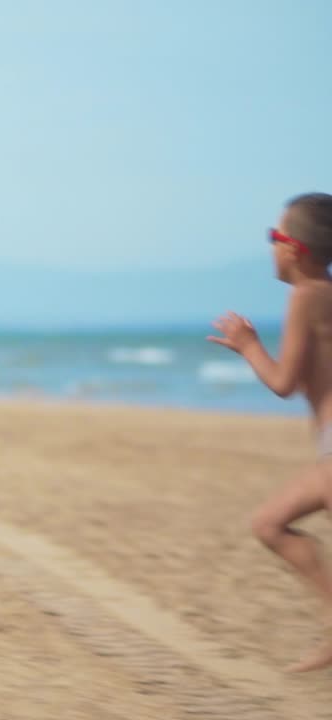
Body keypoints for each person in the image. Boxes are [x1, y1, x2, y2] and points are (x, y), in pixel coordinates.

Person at [208, 191, 332, 672]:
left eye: (273, 235)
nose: (270, 244)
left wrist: (248, 345)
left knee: (271, 525)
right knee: (268, 522)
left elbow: (282, 383)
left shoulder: (305, 298)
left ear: (293, 248)